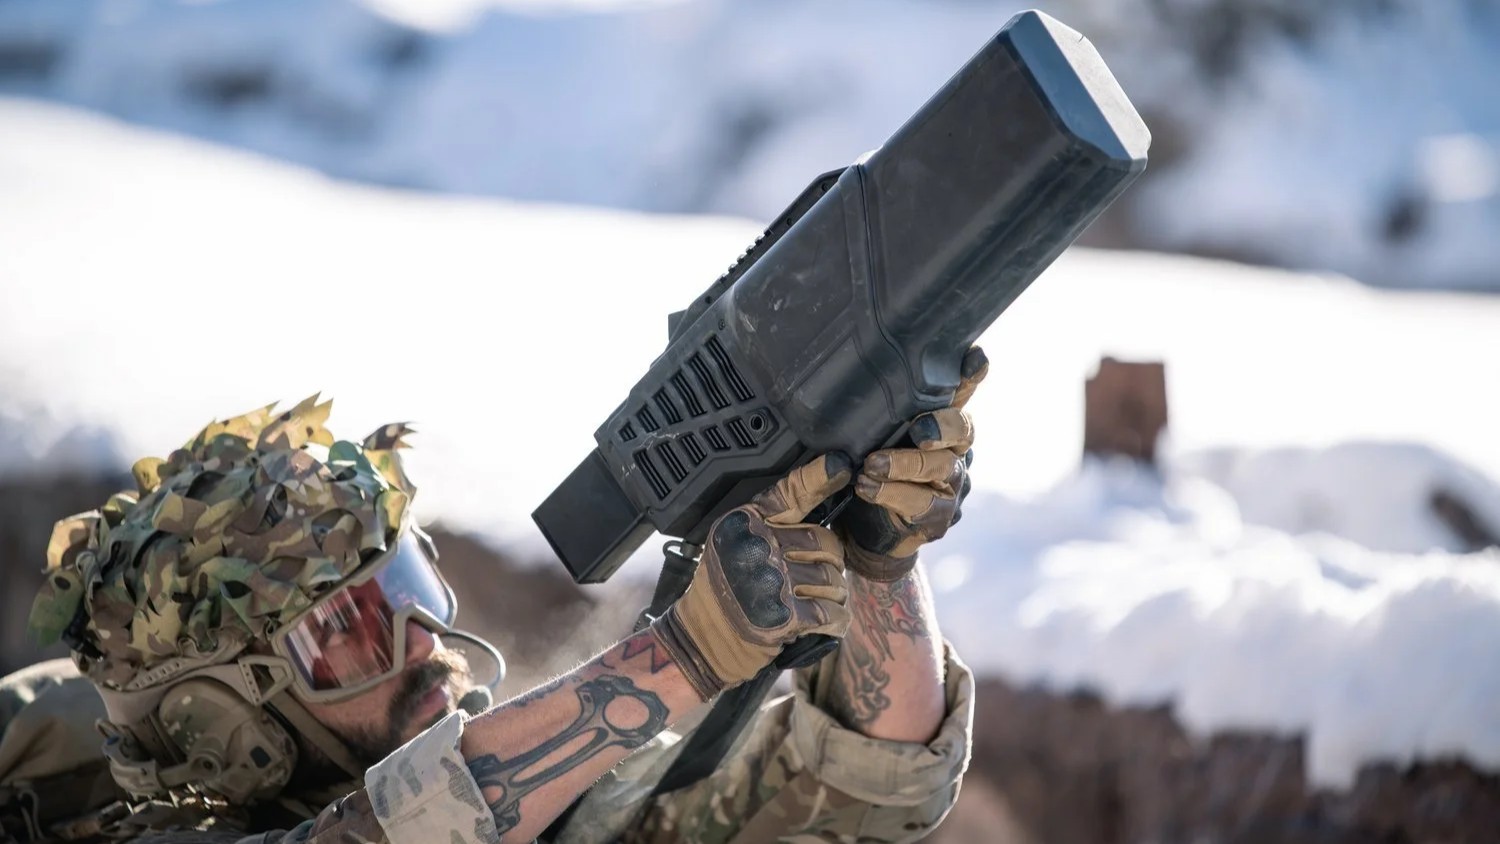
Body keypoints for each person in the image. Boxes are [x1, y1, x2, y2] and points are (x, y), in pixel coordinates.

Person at [0, 348, 986, 844]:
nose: (427, 640)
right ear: (224, 722)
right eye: (353, 633)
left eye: (407, 586)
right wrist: (686, 656)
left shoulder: (538, 807)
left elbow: (868, 779)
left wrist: (876, 562)